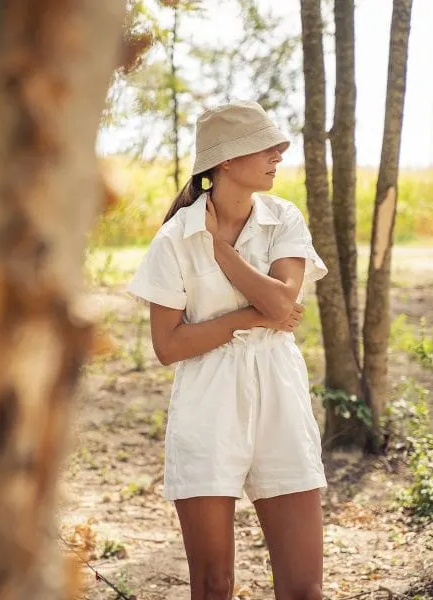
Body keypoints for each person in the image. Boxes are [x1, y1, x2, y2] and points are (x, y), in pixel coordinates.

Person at [126, 100, 328, 600]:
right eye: (264, 145)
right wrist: (249, 318)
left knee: (304, 588)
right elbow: (169, 346)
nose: (279, 152)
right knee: (214, 585)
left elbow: (284, 301)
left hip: (280, 394)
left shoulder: (283, 218)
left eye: (277, 144)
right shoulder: (174, 239)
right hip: (207, 402)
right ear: (226, 160)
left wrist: (219, 249)